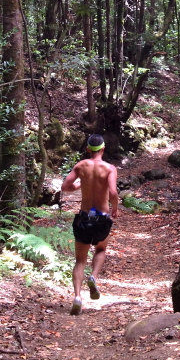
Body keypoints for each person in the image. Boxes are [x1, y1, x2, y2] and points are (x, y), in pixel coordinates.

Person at [61, 134, 119, 315]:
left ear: (88, 149)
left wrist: (78, 187)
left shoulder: (81, 166)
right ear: (103, 149)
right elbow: (113, 191)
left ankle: (77, 297)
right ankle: (93, 277)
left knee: (80, 260)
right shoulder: (109, 168)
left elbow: (65, 186)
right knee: (100, 249)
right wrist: (115, 208)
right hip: (101, 217)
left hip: (84, 217)